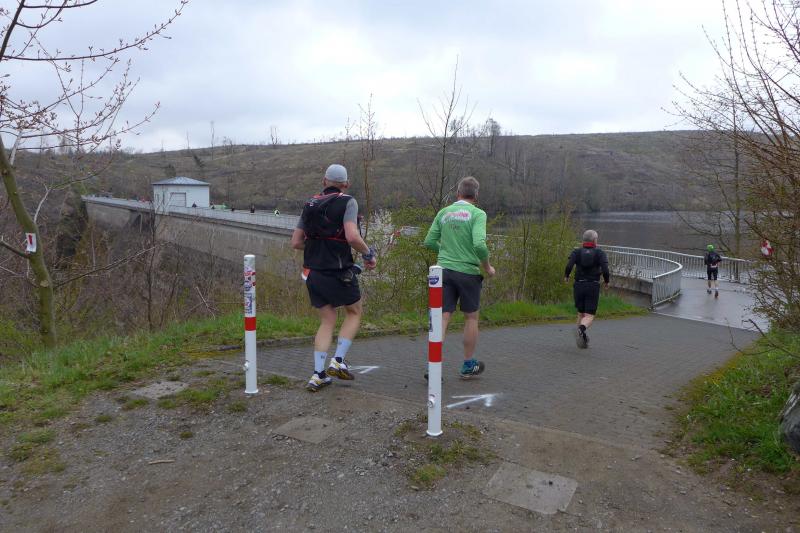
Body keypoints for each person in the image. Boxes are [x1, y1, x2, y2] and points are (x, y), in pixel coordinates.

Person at [291, 164, 377, 392]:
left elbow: (296, 242)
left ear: (324, 181)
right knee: (354, 311)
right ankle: (338, 360)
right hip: (338, 271)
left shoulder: (310, 204)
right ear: (345, 184)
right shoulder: (348, 202)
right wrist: (368, 254)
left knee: (327, 320)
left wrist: (319, 246)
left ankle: (318, 375)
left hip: (313, 272)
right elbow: (352, 236)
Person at [423, 176, 495, 379]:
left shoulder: (444, 212)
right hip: (468, 272)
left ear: (458, 193)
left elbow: (429, 241)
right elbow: (479, 245)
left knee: (442, 316)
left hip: (443, 271)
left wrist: (445, 251)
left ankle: (433, 365)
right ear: (476, 196)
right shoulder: (478, 214)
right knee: (471, 317)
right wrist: (487, 267)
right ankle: (468, 364)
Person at [564, 230, 610, 349]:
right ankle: (580, 329)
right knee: (589, 316)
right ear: (595, 240)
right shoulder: (599, 253)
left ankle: (582, 338)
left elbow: (569, 265)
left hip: (578, 285)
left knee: (581, 313)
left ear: (583, 240)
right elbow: (605, 269)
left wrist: (566, 276)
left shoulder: (576, 252)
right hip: (592, 286)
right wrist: (606, 281)